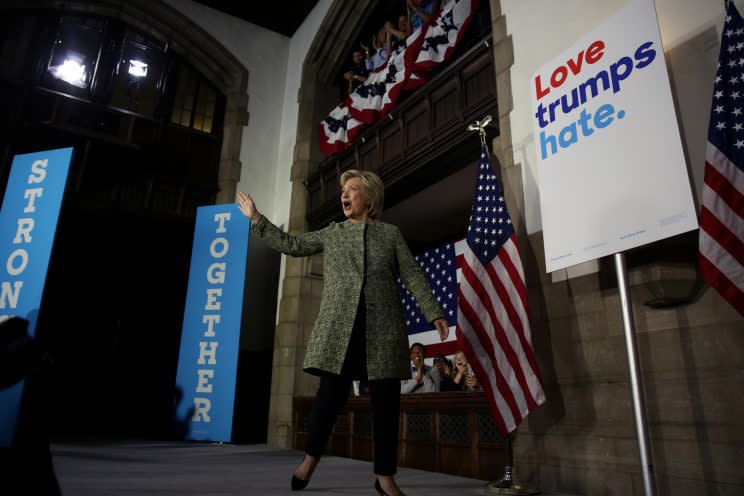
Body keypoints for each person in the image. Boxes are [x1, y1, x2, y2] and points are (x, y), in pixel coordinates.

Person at [236, 170, 448, 496]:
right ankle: (310, 460)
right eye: (343, 191)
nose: (344, 195)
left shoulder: (390, 235)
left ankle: (385, 477)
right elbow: (292, 244)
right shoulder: (332, 233)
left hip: (384, 331)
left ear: (370, 198)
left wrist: (433, 312)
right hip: (340, 331)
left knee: (386, 406)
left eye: (352, 189)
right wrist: (257, 218)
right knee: (328, 400)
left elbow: (413, 274)